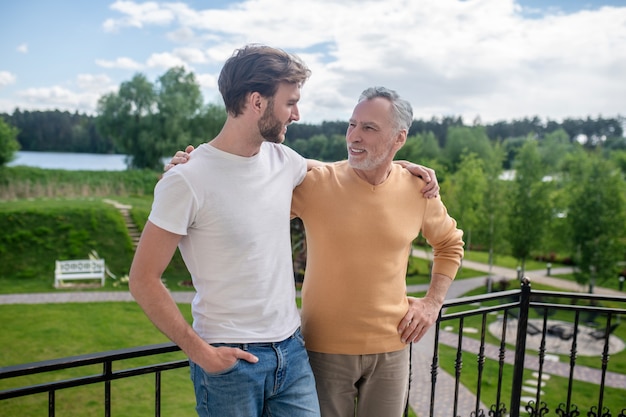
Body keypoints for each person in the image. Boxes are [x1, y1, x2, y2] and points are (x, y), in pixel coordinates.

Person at [167, 87, 463, 417]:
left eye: (369, 128)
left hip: (393, 350)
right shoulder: (318, 183)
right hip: (323, 351)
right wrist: (195, 169)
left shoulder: (418, 189)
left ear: (399, 138)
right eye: (352, 124)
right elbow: (245, 192)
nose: (354, 136)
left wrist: (432, 303)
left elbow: (450, 244)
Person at [129, 44, 321, 417]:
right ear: (256, 102)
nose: (297, 114)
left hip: (292, 353)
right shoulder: (187, 179)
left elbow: (340, 174)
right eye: (290, 102)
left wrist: (401, 167)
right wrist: (202, 353)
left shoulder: (284, 160)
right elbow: (142, 280)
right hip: (230, 363)